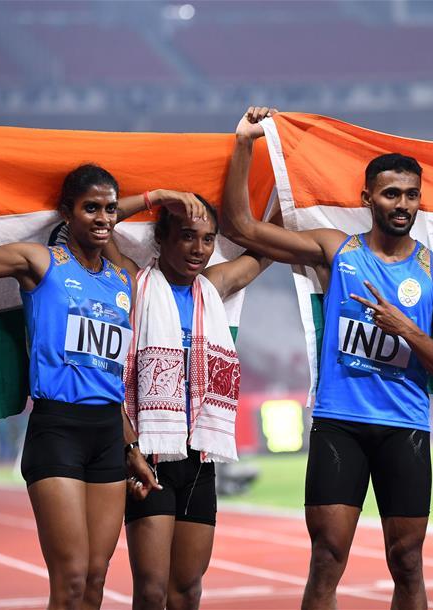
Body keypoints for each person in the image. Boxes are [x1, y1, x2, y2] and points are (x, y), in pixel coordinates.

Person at [0, 124, 197, 610]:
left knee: (95, 580)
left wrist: (130, 443)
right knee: (69, 583)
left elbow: (108, 373)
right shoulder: (41, 264)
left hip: (109, 436)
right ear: (66, 212)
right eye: (91, 207)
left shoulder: (124, 279)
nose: (105, 217)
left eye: (111, 208)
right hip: (58, 430)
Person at [222, 107, 433, 610]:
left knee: (407, 563)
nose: (402, 204)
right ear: (367, 198)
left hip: (405, 428)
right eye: (390, 193)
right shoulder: (337, 253)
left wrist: (405, 331)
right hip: (341, 424)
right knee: (328, 559)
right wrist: (245, 144)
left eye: (410, 195)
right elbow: (241, 225)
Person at [99, 192, 272, 610]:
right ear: (162, 237)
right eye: (187, 236)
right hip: (152, 454)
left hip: (200, 457)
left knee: (188, 590)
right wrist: (156, 196)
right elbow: (104, 224)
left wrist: (289, 182)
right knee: (152, 591)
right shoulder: (133, 282)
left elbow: (267, 245)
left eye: (209, 239)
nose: (199, 249)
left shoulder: (213, 287)